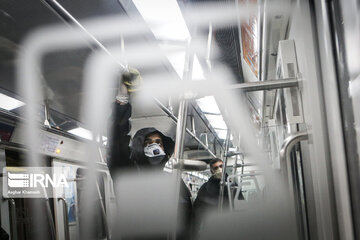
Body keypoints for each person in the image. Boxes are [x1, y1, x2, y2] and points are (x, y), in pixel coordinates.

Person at [106, 69, 192, 239]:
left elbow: (188, 218)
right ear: (139, 147)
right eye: (148, 142)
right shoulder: (128, 174)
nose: (154, 145)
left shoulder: (174, 181)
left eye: (158, 142)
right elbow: (117, 142)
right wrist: (122, 102)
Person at [192, 158, 228, 235]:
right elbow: (197, 210)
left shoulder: (232, 184)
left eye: (221, 166)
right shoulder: (205, 188)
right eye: (216, 168)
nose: (220, 169)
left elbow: (240, 201)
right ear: (212, 171)